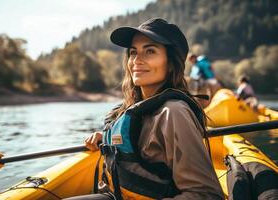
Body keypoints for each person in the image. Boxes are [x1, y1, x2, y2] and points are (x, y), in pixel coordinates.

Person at [65, 18, 224, 200]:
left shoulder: (174, 113)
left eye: (150, 51)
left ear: (171, 63)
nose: (137, 60)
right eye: (133, 52)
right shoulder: (131, 108)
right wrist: (107, 139)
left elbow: (206, 195)